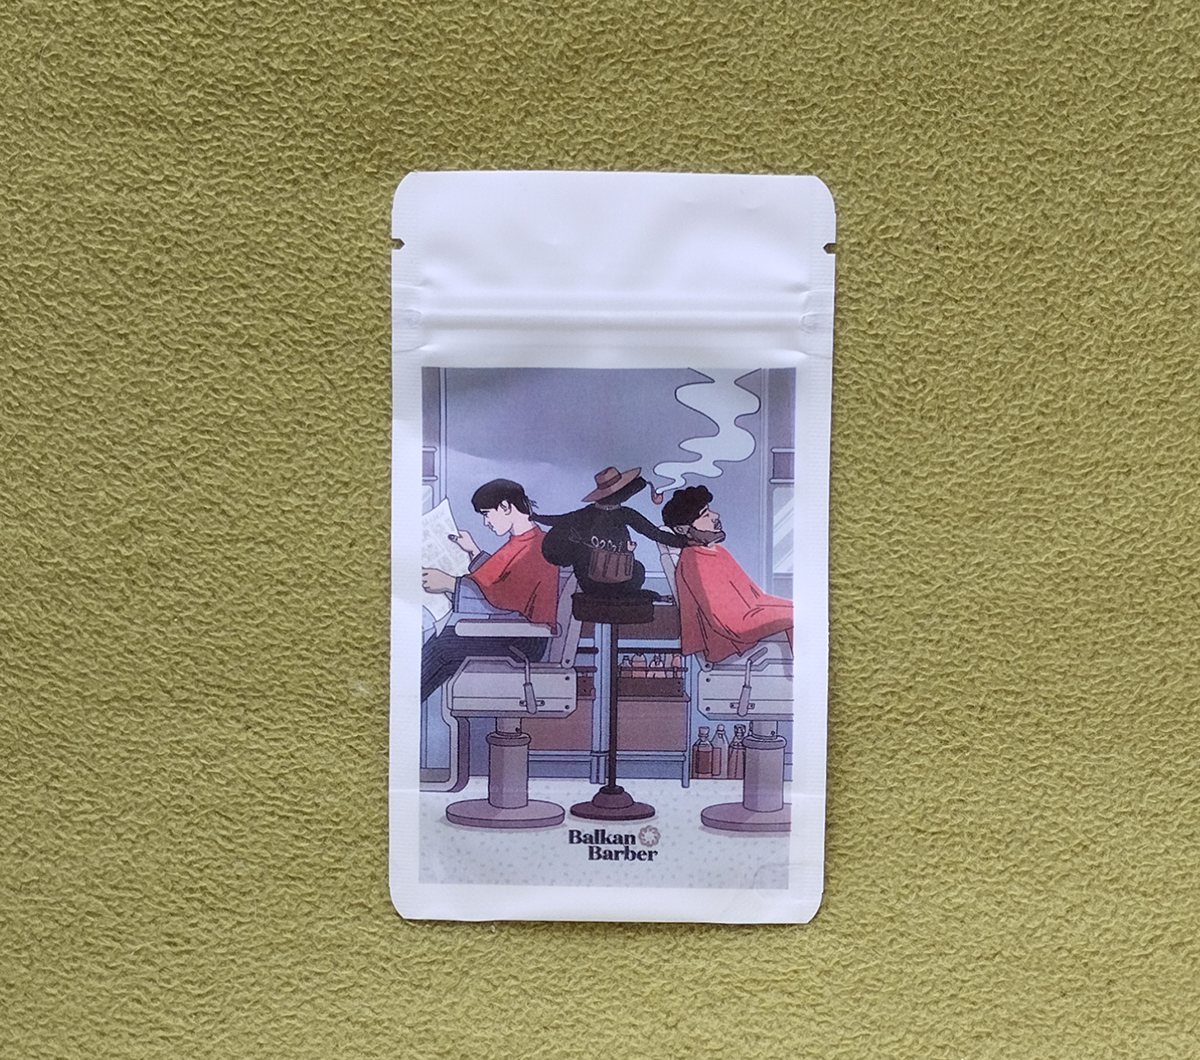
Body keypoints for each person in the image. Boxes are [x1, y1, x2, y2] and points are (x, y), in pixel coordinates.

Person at [420, 479, 560, 703]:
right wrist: (473, 551)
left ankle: (402, 705)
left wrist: (450, 584)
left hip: (524, 641)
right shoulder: (524, 541)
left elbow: (501, 602)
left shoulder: (535, 547)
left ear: (505, 507)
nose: (486, 522)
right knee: (444, 645)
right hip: (513, 633)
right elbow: (498, 578)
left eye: (487, 514)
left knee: (443, 646)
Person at [661, 485, 792, 663]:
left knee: (801, 612)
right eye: (705, 515)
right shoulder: (693, 561)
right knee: (799, 615)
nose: (715, 516)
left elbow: (756, 598)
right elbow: (724, 620)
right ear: (682, 529)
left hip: (748, 616)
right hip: (731, 634)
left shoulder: (718, 551)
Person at [533, 466, 689, 600]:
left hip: (590, 585)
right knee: (637, 569)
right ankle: (648, 596)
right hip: (621, 582)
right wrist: (685, 542)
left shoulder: (586, 513)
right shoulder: (625, 513)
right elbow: (654, 533)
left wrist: (535, 517)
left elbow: (558, 519)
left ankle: (648, 596)